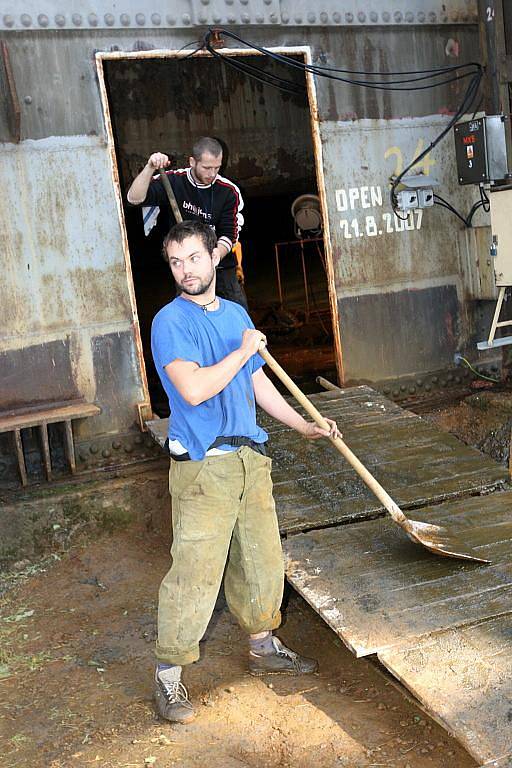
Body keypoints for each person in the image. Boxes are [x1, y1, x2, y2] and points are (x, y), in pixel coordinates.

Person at [151, 219, 340, 724]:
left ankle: (262, 646)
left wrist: (303, 425)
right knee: (195, 572)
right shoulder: (170, 322)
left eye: (193, 257)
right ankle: (169, 675)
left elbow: (256, 384)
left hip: (248, 459)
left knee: (261, 559)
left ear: (214, 256)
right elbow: (192, 390)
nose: (185, 270)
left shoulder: (235, 312)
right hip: (203, 466)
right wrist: (242, 349)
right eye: (175, 262)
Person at [127, 136, 248, 309]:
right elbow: (134, 198)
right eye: (207, 168)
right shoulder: (174, 181)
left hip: (221, 270)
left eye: (217, 168)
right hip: (187, 272)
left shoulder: (228, 192)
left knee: (239, 322)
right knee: (191, 321)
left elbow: (229, 235)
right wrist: (150, 167)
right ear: (192, 161)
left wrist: (211, 259)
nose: (212, 174)